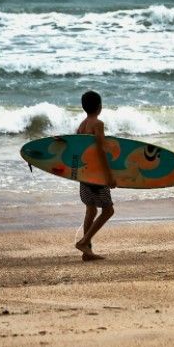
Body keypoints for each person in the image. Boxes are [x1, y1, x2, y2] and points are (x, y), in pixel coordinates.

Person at [74, 90, 117, 261]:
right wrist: (109, 175)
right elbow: (100, 151)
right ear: (99, 106)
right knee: (108, 210)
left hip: (84, 174)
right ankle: (84, 242)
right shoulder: (97, 124)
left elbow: (77, 151)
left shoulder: (81, 126)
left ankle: (87, 252)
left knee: (90, 209)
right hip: (97, 176)